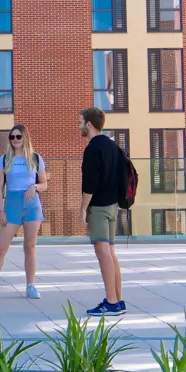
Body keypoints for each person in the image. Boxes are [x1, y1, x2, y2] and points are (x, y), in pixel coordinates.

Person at [0, 125, 48, 300]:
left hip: (31, 206)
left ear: (25, 137)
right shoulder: (5, 159)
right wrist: (1, 211)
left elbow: (44, 184)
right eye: (12, 137)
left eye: (18, 136)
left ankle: (30, 285)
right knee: (1, 248)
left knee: (30, 247)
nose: (15, 140)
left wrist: (35, 186)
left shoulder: (36, 158)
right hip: (12, 205)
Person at [79, 107, 126, 316]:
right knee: (111, 253)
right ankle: (118, 300)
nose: (79, 125)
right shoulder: (113, 146)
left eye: (80, 121)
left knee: (103, 253)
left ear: (89, 123)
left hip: (99, 207)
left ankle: (111, 302)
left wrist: (82, 210)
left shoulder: (92, 149)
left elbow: (90, 184)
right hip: (113, 206)